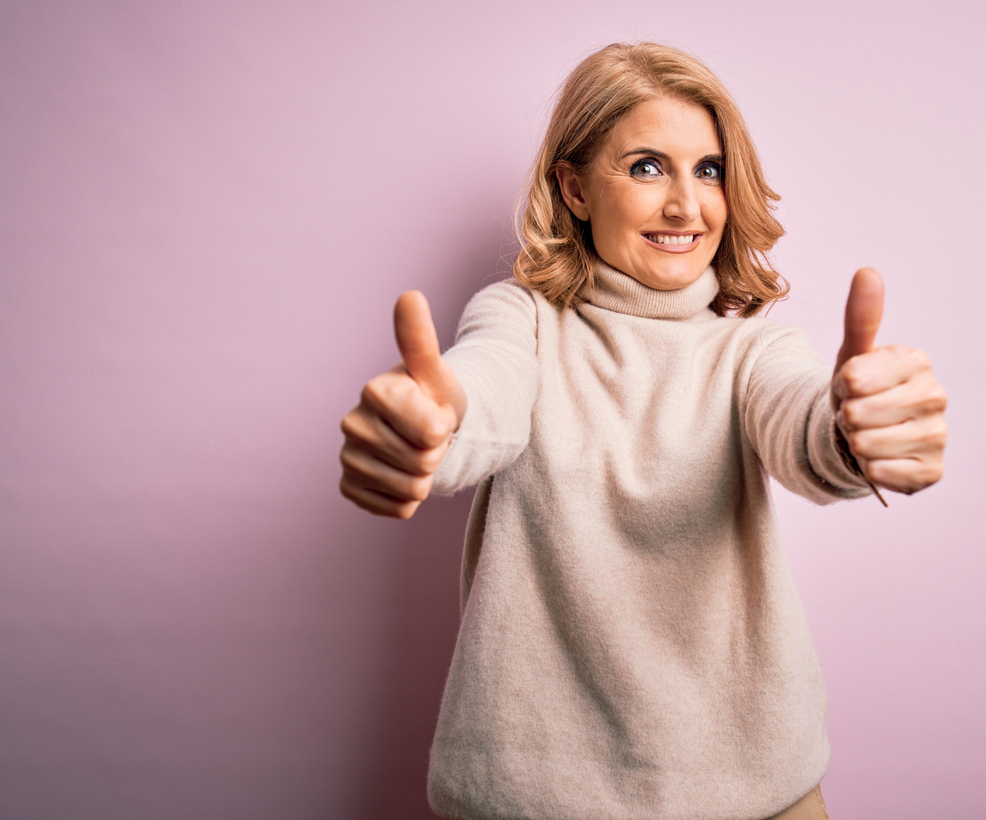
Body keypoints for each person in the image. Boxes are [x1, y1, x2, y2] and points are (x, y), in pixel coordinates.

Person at [339, 42, 946, 820]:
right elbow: (484, 391)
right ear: (575, 188)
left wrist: (855, 434)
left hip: (759, 793)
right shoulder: (521, 321)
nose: (687, 206)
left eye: (709, 170)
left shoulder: (752, 349)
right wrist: (432, 421)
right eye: (647, 167)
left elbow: (804, 426)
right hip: (533, 799)